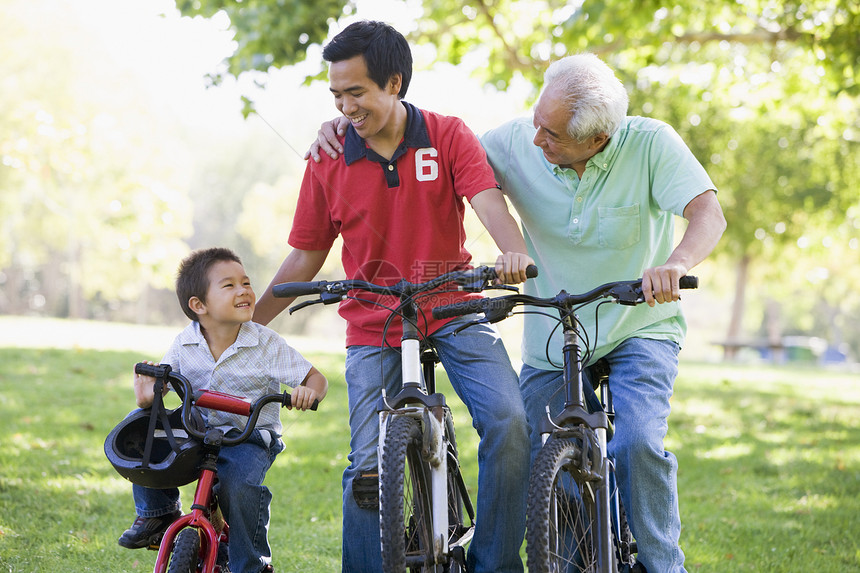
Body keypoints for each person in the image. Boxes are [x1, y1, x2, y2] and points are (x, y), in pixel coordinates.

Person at [309, 53, 727, 573]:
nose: (535, 140)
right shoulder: (512, 141)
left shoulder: (650, 143)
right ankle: (572, 563)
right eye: (536, 122)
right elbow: (431, 150)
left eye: (550, 135)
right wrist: (350, 122)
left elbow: (707, 211)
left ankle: (665, 566)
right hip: (556, 325)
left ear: (597, 140)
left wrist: (677, 263)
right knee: (540, 448)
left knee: (639, 441)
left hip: (637, 321)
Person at [253, 20, 533, 573]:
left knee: (510, 421)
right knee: (366, 463)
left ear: (394, 83)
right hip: (374, 320)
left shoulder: (448, 135)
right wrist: (251, 325)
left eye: (356, 92)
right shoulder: (328, 157)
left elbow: (487, 199)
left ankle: (494, 563)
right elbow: (307, 253)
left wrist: (512, 251)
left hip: (452, 306)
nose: (345, 106)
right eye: (336, 94)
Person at [117, 247, 328, 573]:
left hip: (249, 436)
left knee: (239, 486)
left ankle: (252, 563)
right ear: (199, 305)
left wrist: (307, 392)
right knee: (144, 432)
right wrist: (148, 397)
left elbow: (315, 379)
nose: (244, 290)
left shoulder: (266, 344)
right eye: (229, 285)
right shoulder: (184, 344)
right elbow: (161, 389)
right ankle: (157, 515)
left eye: (245, 282)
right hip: (198, 429)